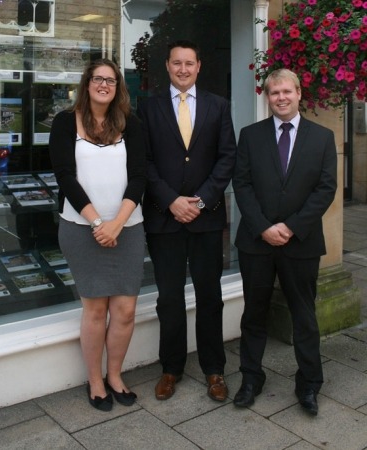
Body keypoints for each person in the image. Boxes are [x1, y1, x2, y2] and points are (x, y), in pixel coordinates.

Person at [232, 68, 337, 416]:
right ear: (267, 96)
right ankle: (251, 378)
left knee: (304, 317)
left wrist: (290, 227)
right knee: (254, 314)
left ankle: (309, 384)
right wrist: (263, 227)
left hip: (301, 243)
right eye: (274, 92)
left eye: (287, 91)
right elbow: (242, 185)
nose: (281, 97)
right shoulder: (250, 135)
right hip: (256, 242)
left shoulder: (322, 137)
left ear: (299, 92)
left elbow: (326, 189)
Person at [137, 40, 237, 402]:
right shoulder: (147, 109)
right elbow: (143, 162)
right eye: (176, 63)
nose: (182, 69)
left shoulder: (219, 106)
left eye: (189, 63)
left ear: (199, 66)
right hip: (164, 220)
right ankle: (171, 368)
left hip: (206, 218)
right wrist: (171, 201)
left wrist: (203, 200)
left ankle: (214, 370)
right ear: (167, 66)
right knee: (169, 298)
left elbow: (227, 158)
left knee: (210, 296)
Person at [49, 59, 146, 412]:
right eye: (97, 79)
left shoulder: (131, 124)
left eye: (110, 80)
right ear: (86, 83)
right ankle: (94, 380)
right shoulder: (65, 122)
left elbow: (139, 176)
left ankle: (115, 375)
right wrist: (96, 224)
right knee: (94, 309)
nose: (104, 84)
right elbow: (65, 177)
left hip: (128, 229)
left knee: (125, 310)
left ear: (118, 86)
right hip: (80, 229)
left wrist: (117, 223)